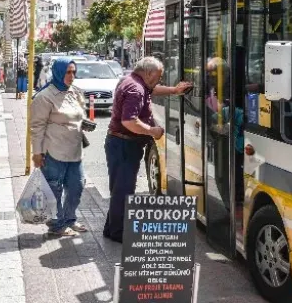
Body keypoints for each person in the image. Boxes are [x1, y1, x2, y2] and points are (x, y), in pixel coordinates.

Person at [103, 56, 192, 243]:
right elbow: (129, 121)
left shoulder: (132, 80)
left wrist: (174, 90)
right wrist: (153, 131)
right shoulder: (135, 89)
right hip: (124, 145)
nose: (158, 81)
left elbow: (153, 89)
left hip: (121, 144)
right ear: (148, 73)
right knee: (124, 190)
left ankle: (111, 228)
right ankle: (118, 233)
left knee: (119, 188)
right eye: (158, 76)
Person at [30, 57, 95, 237]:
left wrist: (84, 123)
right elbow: (37, 126)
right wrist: (37, 152)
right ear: (58, 72)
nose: (71, 75)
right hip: (54, 151)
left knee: (77, 185)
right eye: (67, 72)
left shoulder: (75, 92)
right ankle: (57, 225)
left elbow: (78, 115)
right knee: (54, 188)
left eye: (74, 72)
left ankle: (69, 218)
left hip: (74, 151)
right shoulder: (44, 97)